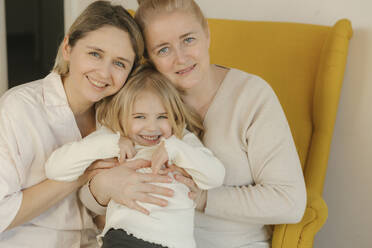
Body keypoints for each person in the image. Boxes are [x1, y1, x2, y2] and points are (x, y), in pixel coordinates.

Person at [123, 0, 305, 247]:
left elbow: (289, 201)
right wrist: (101, 187)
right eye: (163, 49)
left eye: (188, 40)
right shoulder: (140, 102)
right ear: (149, 58)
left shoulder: (251, 96)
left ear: (207, 33)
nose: (181, 58)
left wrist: (202, 198)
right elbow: (90, 194)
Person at [0, 1, 173, 247]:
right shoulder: (18, 109)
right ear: (68, 48)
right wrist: (82, 174)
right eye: (95, 54)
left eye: (119, 63)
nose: (104, 73)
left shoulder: (118, 119)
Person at [44, 65, 225, 248]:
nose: (152, 127)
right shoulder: (115, 137)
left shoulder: (180, 139)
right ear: (122, 116)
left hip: (175, 243)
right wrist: (109, 144)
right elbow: (55, 168)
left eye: (163, 116)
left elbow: (215, 176)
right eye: (139, 117)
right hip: (125, 238)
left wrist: (175, 149)